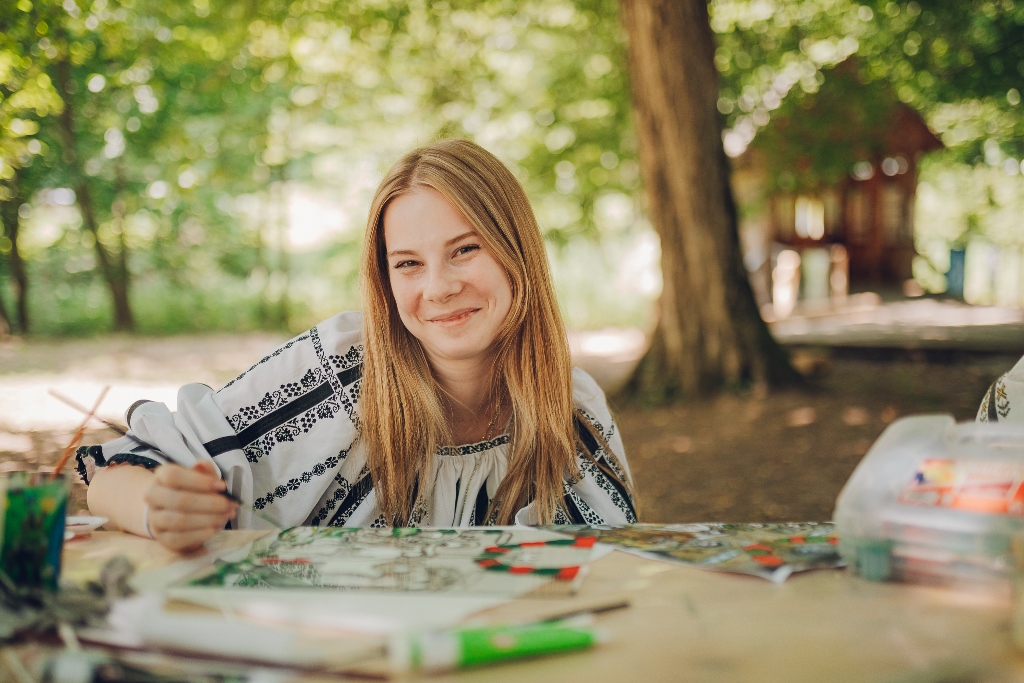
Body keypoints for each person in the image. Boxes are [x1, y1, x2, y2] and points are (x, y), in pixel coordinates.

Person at [79, 139, 637, 551]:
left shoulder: (573, 408)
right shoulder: (338, 368)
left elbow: (613, 566)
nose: (439, 287)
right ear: (386, 282)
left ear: (517, 250)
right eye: (409, 264)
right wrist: (158, 507)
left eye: (466, 249)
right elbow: (113, 477)